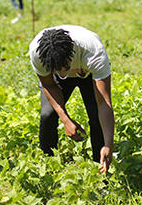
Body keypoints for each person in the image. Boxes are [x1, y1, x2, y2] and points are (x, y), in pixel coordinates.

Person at [28, 25, 114, 173]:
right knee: (47, 115)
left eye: (65, 67)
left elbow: (104, 103)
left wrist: (108, 145)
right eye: (57, 70)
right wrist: (66, 120)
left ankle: (100, 169)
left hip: (88, 75)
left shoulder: (93, 52)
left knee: (96, 117)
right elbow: (49, 85)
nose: (63, 73)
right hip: (56, 78)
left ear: (72, 51)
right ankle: (48, 168)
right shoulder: (39, 53)